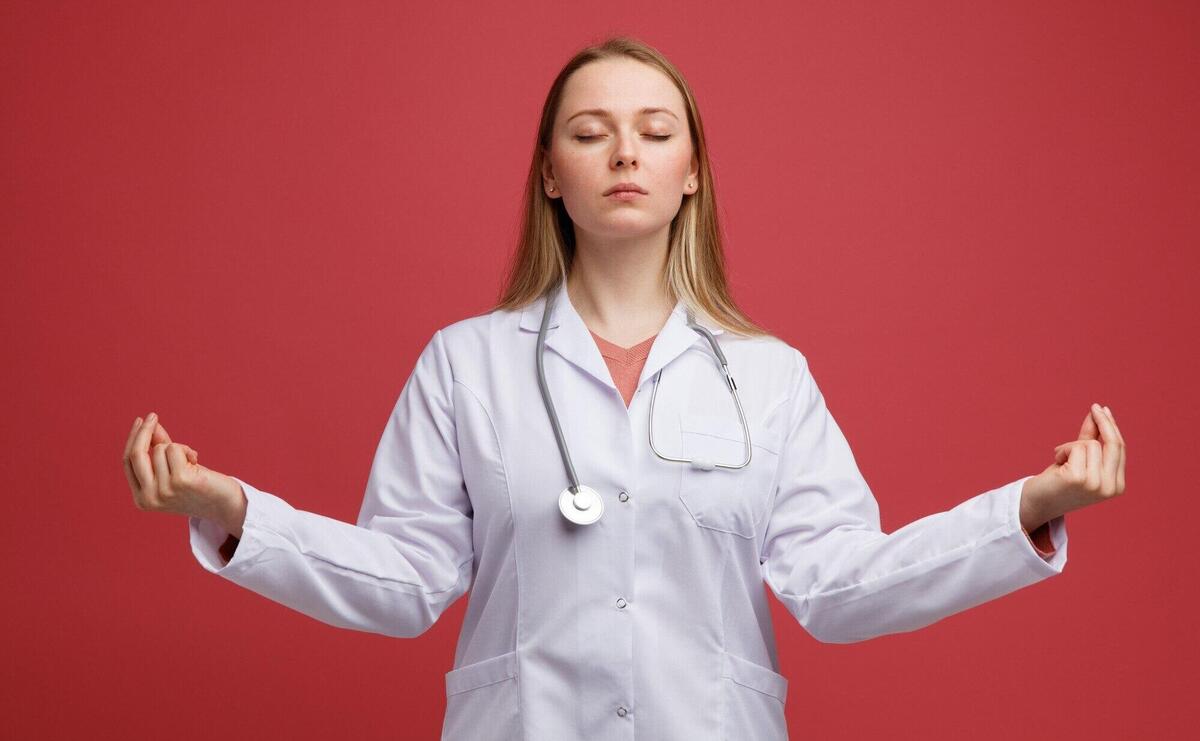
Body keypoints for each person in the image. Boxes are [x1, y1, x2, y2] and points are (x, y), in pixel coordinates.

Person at [122, 36, 1127, 741]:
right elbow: (405, 579)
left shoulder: (768, 377)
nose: (624, 152)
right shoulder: (467, 363)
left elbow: (838, 588)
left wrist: (1026, 512)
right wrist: (235, 514)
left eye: (653, 130)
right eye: (591, 131)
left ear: (692, 171)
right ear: (551, 173)